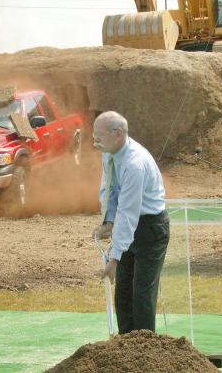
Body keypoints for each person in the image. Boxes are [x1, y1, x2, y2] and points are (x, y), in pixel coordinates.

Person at [92, 111, 170, 334]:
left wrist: (114, 259)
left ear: (118, 134)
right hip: (130, 226)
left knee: (142, 294)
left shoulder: (135, 163)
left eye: (99, 135)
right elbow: (109, 189)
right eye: (93, 134)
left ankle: (146, 353)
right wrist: (108, 220)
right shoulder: (109, 152)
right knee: (123, 294)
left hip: (151, 230)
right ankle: (126, 351)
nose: (95, 140)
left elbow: (128, 213)